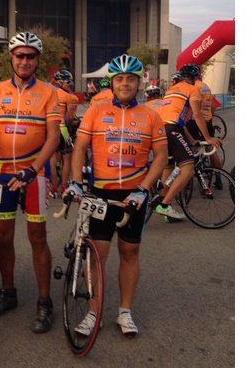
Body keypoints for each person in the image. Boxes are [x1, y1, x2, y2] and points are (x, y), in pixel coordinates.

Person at [0, 31, 62, 334]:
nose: (25, 61)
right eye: (20, 55)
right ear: (12, 58)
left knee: (37, 237)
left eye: (31, 56)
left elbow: (54, 136)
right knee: (2, 237)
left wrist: (33, 169)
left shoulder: (48, 92)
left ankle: (45, 301)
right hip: (3, 173)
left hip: (34, 174)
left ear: (37, 60)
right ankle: (9, 291)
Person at [67, 54, 168, 337]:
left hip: (134, 194)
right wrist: (76, 181)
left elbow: (161, 156)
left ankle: (125, 312)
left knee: (130, 251)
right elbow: (80, 148)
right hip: (101, 192)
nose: (125, 83)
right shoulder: (96, 111)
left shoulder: (150, 115)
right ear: (112, 82)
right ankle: (93, 312)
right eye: (120, 79)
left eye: (130, 79)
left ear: (139, 82)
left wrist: (143, 188)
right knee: (98, 254)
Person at [152, 63, 222, 221]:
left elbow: (178, 121)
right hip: (172, 129)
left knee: (169, 168)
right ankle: (165, 205)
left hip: (161, 130)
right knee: (188, 170)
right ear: (195, 78)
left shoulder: (171, 90)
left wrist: (193, 141)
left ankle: (165, 209)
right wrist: (208, 138)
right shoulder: (193, 89)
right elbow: (197, 115)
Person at [184, 69, 223, 186]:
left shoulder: (193, 88)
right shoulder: (206, 86)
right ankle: (218, 178)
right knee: (210, 149)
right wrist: (209, 117)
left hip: (195, 121)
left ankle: (188, 180)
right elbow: (213, 107)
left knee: (192, 147)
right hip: (208, 120)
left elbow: (191, 108)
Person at [48, 70, 79, 199]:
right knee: (67, 159)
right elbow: (71, 119)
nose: (70, 84)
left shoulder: (49, 94)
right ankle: (64, 188)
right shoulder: (72, 98)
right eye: (68, 82)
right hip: (64, 129)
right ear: (61, 82)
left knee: (53, 158)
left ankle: (53, 189)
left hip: (52, 128)